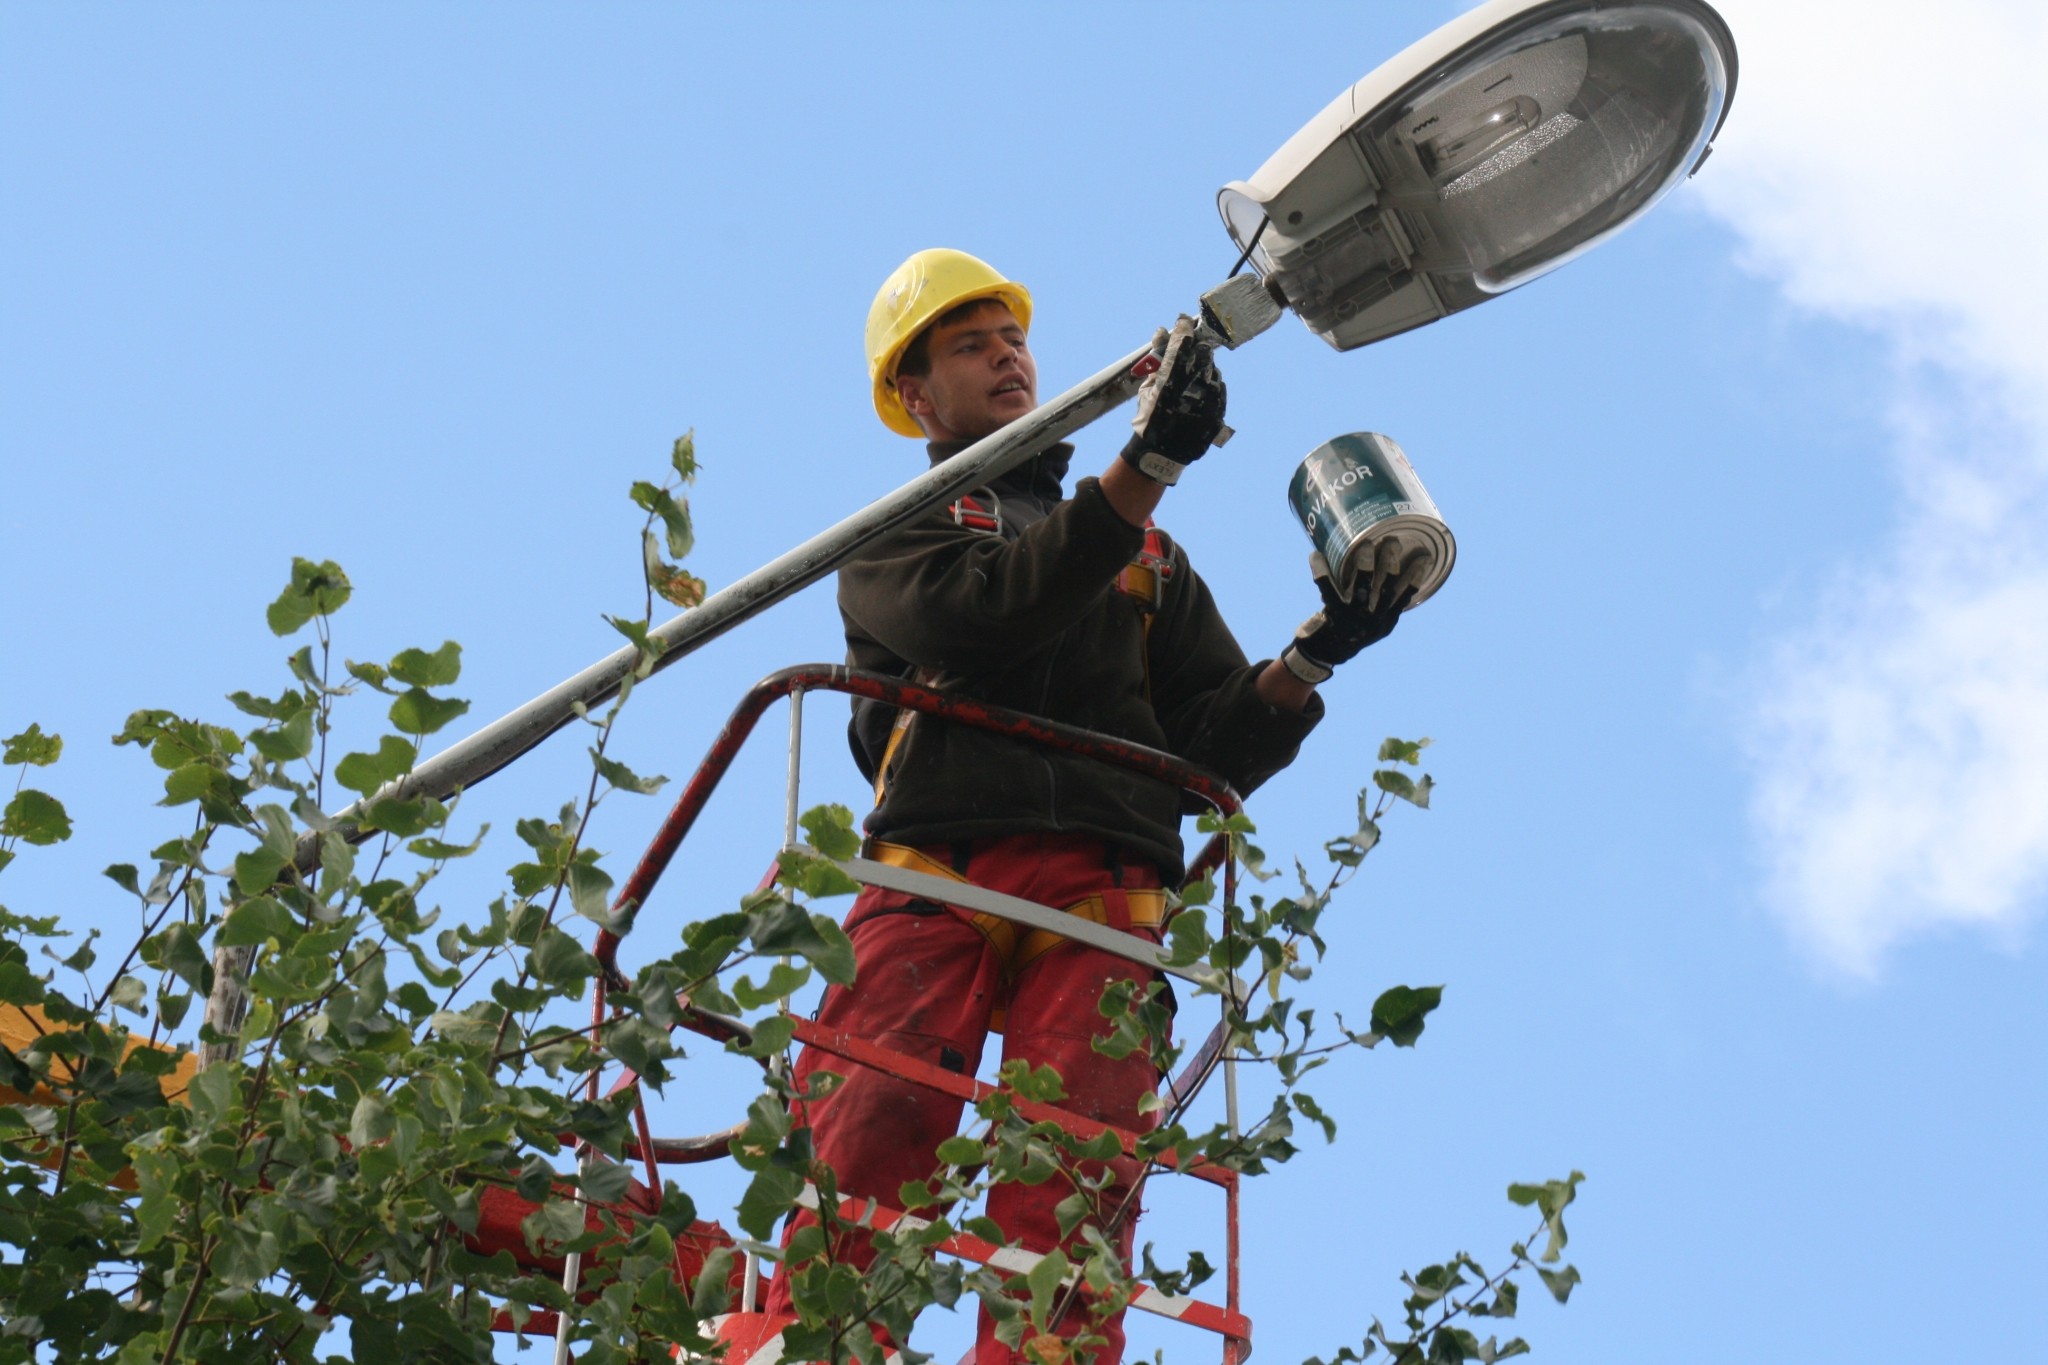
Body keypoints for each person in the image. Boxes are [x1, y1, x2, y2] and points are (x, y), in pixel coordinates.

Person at [755, 248, 1413, 1363]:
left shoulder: (1142, 554)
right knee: (874, 1120)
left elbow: (1207, 753)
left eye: (1009, 338)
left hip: (1106, 886)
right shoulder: (902, 530)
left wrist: (1317, 650)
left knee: (1077, 1168)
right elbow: (985, 619)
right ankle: (817, 1342)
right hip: (940, 867)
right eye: (970, 345)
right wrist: (1141, 467)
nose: (1007, 356)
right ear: (914, 395)